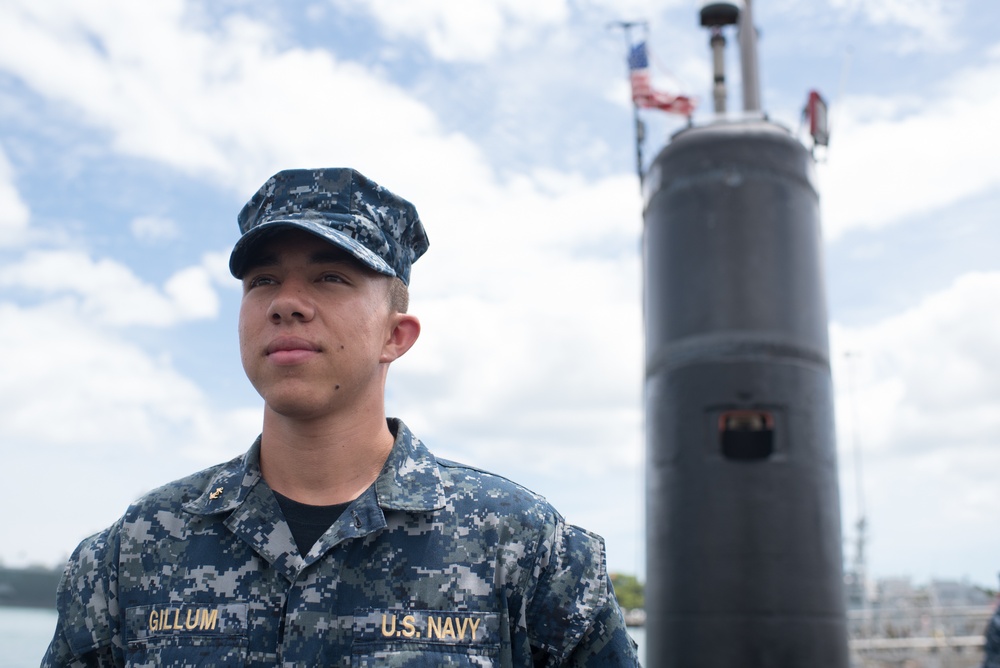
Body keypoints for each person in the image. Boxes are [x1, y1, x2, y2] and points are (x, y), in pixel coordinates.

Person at [42, 167, 640, 667]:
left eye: (330, 277)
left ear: (396, 335)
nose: (286, 303)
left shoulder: (525, 548)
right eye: (263, 280)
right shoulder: (135, 549)